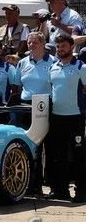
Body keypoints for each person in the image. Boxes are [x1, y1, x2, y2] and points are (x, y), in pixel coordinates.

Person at [47, 33, 86, 202]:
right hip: (57, 117)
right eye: (58, 46)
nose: (60, 49)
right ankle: (60, 190)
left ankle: (81, 191)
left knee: (79, 156)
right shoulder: (53, 67)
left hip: (76, 117)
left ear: (71, 47)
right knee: (59, 156)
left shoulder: (81, 67)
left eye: (63, 46)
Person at [16, 32, 53, 103]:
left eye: (35, 42)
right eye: (29, 43)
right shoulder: (22, 63)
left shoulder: (54, 62)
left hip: (45, 104)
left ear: (43, 44)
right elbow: (17, 86)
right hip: (25, 104)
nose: (31, 45)